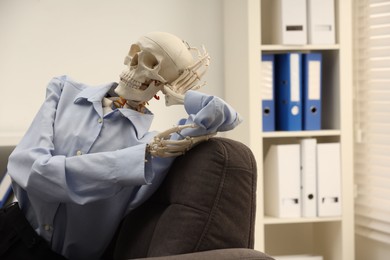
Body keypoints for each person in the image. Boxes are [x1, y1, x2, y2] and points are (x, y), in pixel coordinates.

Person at [1, 32, 242, 259]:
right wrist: (127, 163)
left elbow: (222, 115)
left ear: (164, 84)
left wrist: (181, 96)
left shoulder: (154, 147)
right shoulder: (64, 90)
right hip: (9, 233)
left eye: (152, 65)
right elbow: (28, 168)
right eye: (135, 55)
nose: (134, 65)